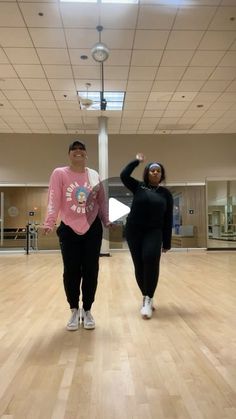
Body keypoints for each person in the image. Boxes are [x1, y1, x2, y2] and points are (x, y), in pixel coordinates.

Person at [42, 140, 110, 331]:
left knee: (91, 271)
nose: (78, 152)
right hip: (69, 229)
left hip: (92, 228)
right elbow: (54, 198)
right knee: (71, 271)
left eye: (82, 149)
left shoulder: (94, 175)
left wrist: (106, 220)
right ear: (69, 154)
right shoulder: (60, 173)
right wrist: (49, 221)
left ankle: (87, 310)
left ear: (86, 154)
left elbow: (101, 201)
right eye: (74, 149)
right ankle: (73, 309)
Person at [120, 153, 173, 319]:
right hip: (134, 231)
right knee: (139, 265)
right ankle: (146, 296)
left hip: (154, 231)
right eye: (152, 170)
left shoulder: (166, 194)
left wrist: (167, 241)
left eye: (158, 170)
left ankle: (148, 297)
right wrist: (136, 161)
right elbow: (124, 175)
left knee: (150, 258)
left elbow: (168, 218)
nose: (155, 172)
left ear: (161, 174)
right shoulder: (138, 187)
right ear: (147, 173)